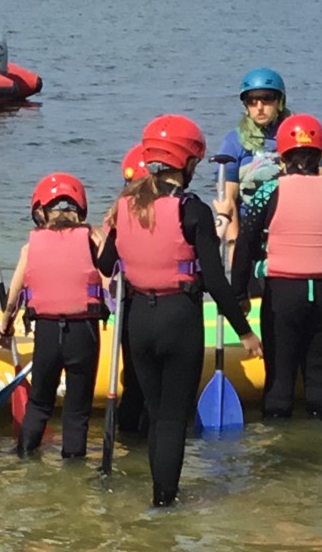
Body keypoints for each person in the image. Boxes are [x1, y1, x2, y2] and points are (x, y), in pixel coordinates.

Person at [94, 114, 262, 508]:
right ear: (185, 162)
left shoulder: (124, 206)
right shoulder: (193, 210)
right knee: (172, 419)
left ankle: (158, 496)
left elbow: (105, 264)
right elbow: (216, 281)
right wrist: (244, 331)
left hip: (138, 320)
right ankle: (164, 503)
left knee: (156, 415)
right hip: (179, 319)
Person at [230, 113, 322, 419]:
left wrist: (239, 294)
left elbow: (244, 246)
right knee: (321, 376)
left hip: (283, 296)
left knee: (279, 379)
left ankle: (279, 437)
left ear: (282, 157)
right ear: (320, 155)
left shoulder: (269, 191)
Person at [0, 173, 108, 459]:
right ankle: (74, 470)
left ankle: (24, 457)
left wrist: (5, 327)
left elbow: (14, 296)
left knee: (39, 403)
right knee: (77, 410)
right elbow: (110, 284)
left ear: (40, 211)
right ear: (80, 208)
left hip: (46, 332)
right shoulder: (93, 239)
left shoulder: (30, 246)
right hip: (84, 332)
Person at [212, 67, 292, 255]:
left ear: (280, 101)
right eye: (252, 101)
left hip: (290, 229)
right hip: (250, 233)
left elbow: (319, 181)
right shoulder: (234, 142)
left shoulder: (298, 134)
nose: (259, 107)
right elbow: (228, 199)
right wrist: (234, 244)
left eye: (267, 99)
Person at [98, 144, 149, 437]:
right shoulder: (172, 209)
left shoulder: (116, 216)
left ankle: (129, 436)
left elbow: (105, 264)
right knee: (149, 379)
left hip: (129, 307)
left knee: (133, 376)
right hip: (157, 305)